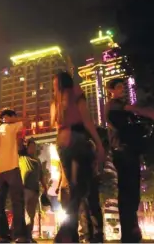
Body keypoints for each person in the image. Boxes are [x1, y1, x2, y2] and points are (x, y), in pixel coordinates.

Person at [104, 78, 154, 243]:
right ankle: (128, 233)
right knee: (127, 192)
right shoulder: (113, 105)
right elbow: (135, 110)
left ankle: (132, 230)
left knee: (132, 192)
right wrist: (152, 114)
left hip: (130, 151)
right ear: (110, 90)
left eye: (122, 87)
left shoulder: (124, 110)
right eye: (117, 87)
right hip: (122, 151)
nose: (122, 90)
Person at [50, 70, 106, 243]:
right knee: (82, 187)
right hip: (77, 138)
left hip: (62, 141)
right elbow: (87, 119)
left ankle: (71, 235)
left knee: (75, 188)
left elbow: (54, 123)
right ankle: (69, 233)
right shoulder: (75, 92)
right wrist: (99, 143)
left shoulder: (55, 101)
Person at [0, 108, 29, 243]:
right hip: (12, 168)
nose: (15, 118)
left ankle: (2, 236)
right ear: (6, 117)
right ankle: (19, 235)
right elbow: (26, 121)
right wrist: (11, 120)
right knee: (17, 202)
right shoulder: (11, 127)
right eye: (13, 115)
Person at [18, 138, 48, 242]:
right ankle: (21, 236)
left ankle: (28, 236)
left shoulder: (38, 160)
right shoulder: (22, 157)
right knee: (23, 213)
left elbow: (41, 176)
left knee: (31, 215)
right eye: (31, 146)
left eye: (34, 147)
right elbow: (18, 145)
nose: (33, 149)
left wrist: (45, 187)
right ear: (27, 147)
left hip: (35, 190)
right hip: (25, 188)